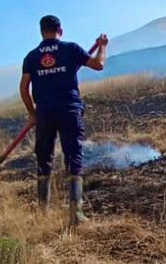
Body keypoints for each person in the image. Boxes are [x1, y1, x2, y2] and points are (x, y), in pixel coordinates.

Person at [20, 14, 108, 226]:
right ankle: (76, 214)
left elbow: (24, 88)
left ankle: (43, 213)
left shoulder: (31, 57)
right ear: (61, 30)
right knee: (73, 155)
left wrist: (32, 113)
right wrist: (103, 46)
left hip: (45, 112)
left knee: (44, 157)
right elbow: (98, 65)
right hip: (69, 110)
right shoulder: (71, 49)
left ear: (42, 32)